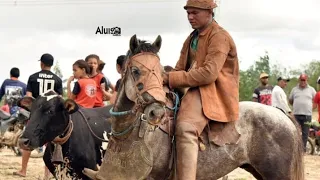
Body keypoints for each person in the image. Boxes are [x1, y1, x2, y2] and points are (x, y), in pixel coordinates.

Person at [161, 0, 239, 179]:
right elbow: (179, 67)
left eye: (195, 13)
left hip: (212, 92)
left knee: (185, 128)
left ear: (209, 12)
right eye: (188, 13)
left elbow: (209, 74)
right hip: (193, 89)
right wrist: (164, 80)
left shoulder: (219, 36)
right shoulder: (192, 38)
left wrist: (172, 78)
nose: (190, 17)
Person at [14, 53, 63, 178]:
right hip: (50, 117)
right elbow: (59, 100)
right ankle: (47, 174)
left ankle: (23, 170)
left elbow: (29, 97)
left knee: (28, 140)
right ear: (51, 64)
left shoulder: (33, 77)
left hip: (36, 115)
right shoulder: (57, 79)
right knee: (50, 144)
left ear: (41, 63)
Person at [289, 73, 316, 152]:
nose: (303, 81)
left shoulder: (311, 89)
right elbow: (290, 100)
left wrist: (312, 107)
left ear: (306, 80)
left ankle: (302, 150)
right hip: (296, 115)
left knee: (305, 133)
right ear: (299, 80)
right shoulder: (294, 89)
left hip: (307, 115)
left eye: (304, 80)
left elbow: (316, 100)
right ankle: (295, 150)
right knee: (295, 132)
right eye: (301, 80)